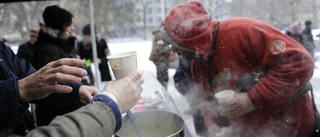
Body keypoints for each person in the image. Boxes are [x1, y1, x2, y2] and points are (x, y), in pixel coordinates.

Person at [161, 1, 315, 137]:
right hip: (252, 130)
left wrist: (251, 100)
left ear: (189, 40)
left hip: (289, 126)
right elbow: (204, 99)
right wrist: (212, 125)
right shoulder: (197, 61)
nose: (174, 50)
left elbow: (301, 63)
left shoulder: (244, 31)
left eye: (174, 43)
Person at [31, 5, 98, 127]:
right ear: (58, 26)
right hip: (58, 119)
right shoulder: (46, 50)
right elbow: (51, 87)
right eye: (69, 24)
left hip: (70, 113)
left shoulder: (65, 46)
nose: (72, 28)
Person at [173, 56, 207, 136]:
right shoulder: (185, 58)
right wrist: (192, 90)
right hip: (196, 105)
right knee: (202, 131)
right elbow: (178, 79)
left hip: (219, 110)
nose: (174, 50)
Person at [149, 23, 171, 89]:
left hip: (160, 59)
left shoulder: (160, 33)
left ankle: (162, 92)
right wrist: (171, 48)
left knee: (161, 77)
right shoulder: (160, 35)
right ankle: (163, 93)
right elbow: (160, 48)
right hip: (161, 59)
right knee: (163, 78)